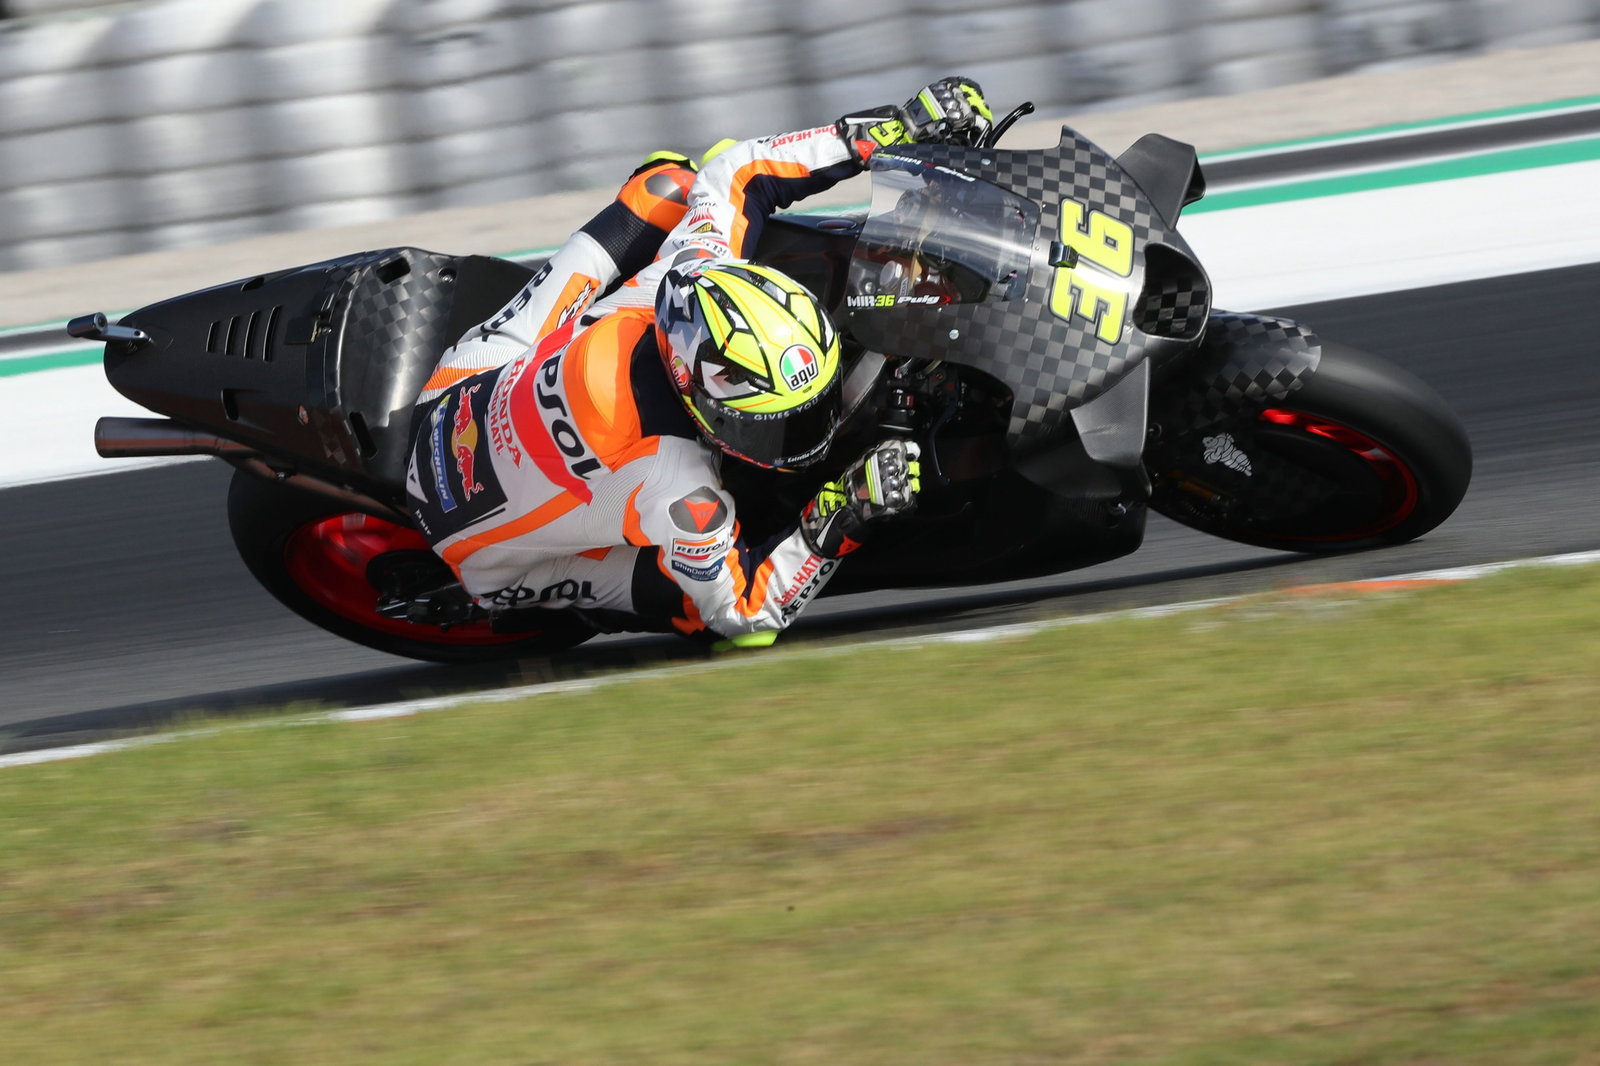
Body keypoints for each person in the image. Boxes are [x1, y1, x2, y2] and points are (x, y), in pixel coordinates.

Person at [405, 77, 993, 646]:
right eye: (775, 423)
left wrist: (889, 132)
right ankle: (511, 598)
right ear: (698, 395)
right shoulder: (681, 491)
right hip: (479, 547)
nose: (801, 435)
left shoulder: (690, 267)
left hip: (468, 382)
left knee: (671, 184)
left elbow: (737, 171)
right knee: (695, 606)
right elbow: (746, 612)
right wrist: (843, 512)